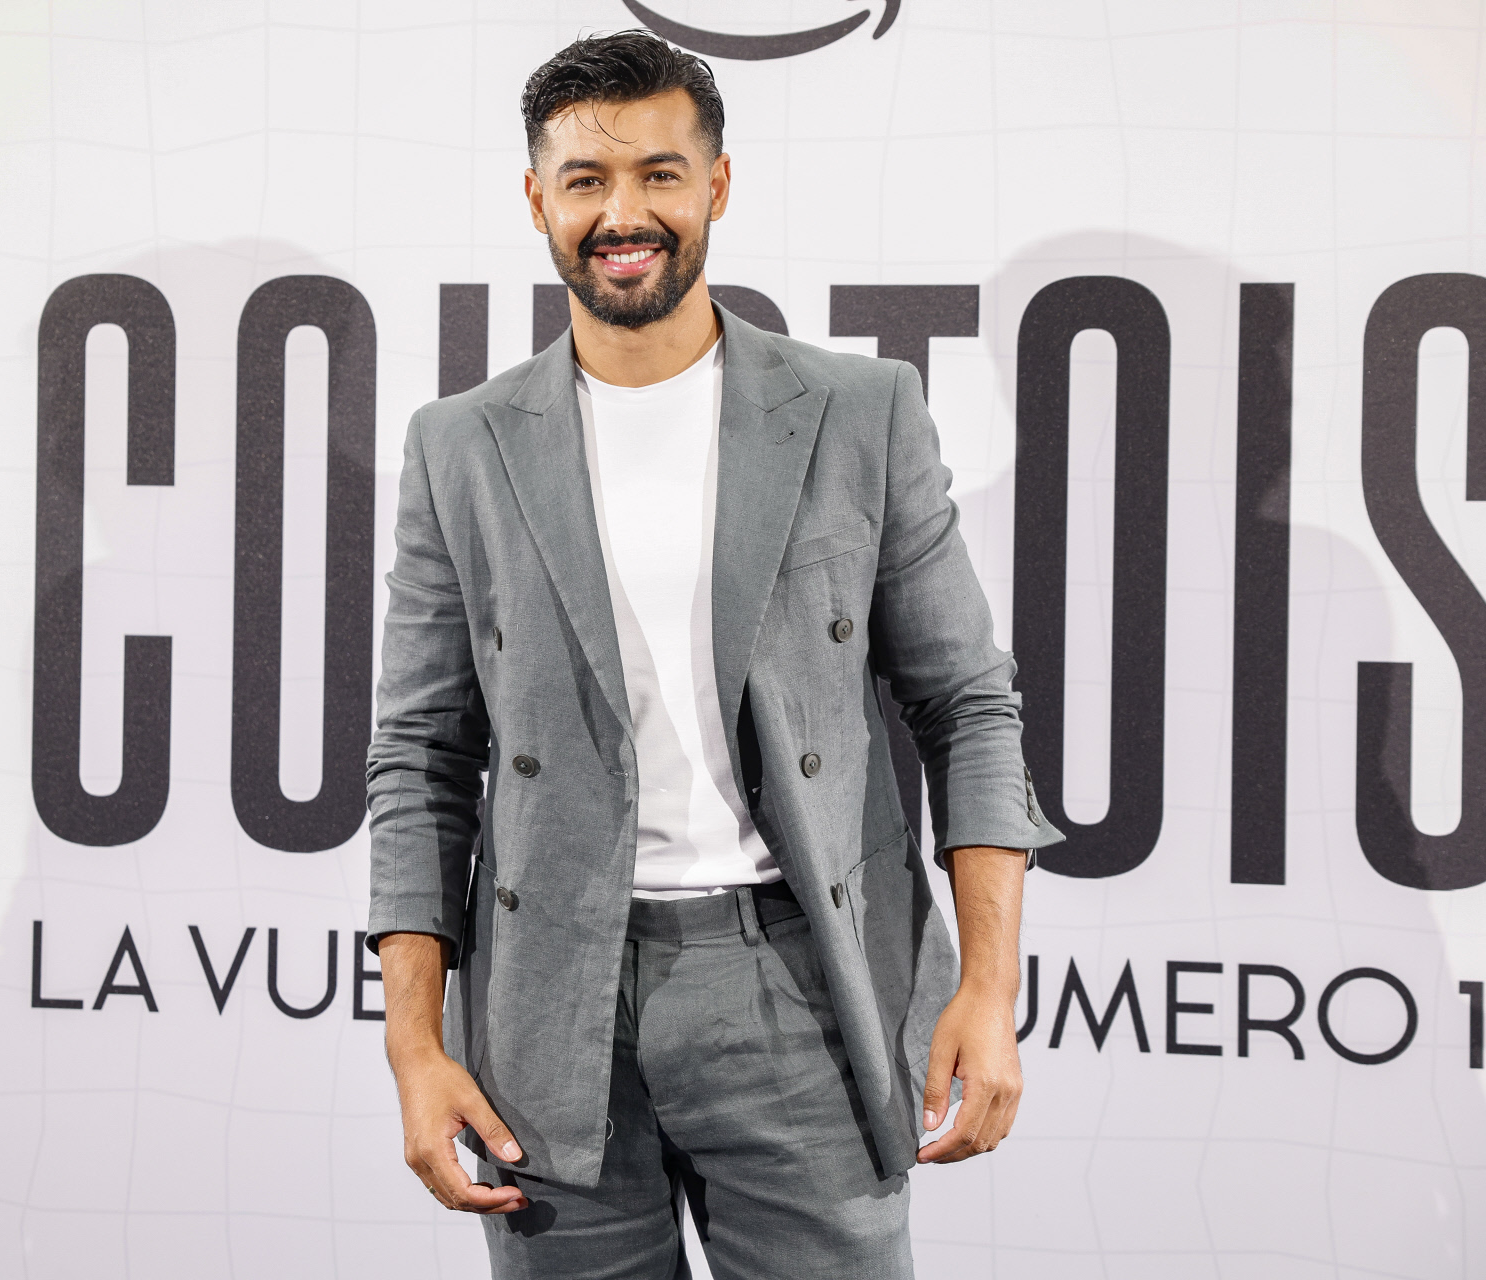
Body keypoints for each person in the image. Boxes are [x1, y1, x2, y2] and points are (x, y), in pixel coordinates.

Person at [365, 30, 1063, 1278]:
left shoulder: (858, 413)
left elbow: (969, 704)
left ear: (718, 185)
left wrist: (989, 986)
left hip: (799, 986)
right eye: (585, 180)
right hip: (547, 1014)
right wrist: (415, 1046)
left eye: (660, 173)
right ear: (537, 199)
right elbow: (419, 758)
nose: (622, 214)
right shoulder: (458, 446)